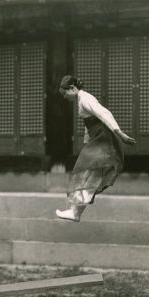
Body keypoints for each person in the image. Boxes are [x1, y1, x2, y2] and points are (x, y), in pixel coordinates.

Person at [56, 75, 136, 222]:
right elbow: (90, 126)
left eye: (64, 93)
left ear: (72, 88)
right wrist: (87, 144)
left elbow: (104, 114)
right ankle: (75, 212)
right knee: (89, 177)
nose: (64, 97)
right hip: (97, 140)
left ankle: (75, 212)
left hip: (103, 141)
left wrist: (119, 133)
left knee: (88, 175)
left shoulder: (85, 99)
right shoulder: (81, 99)